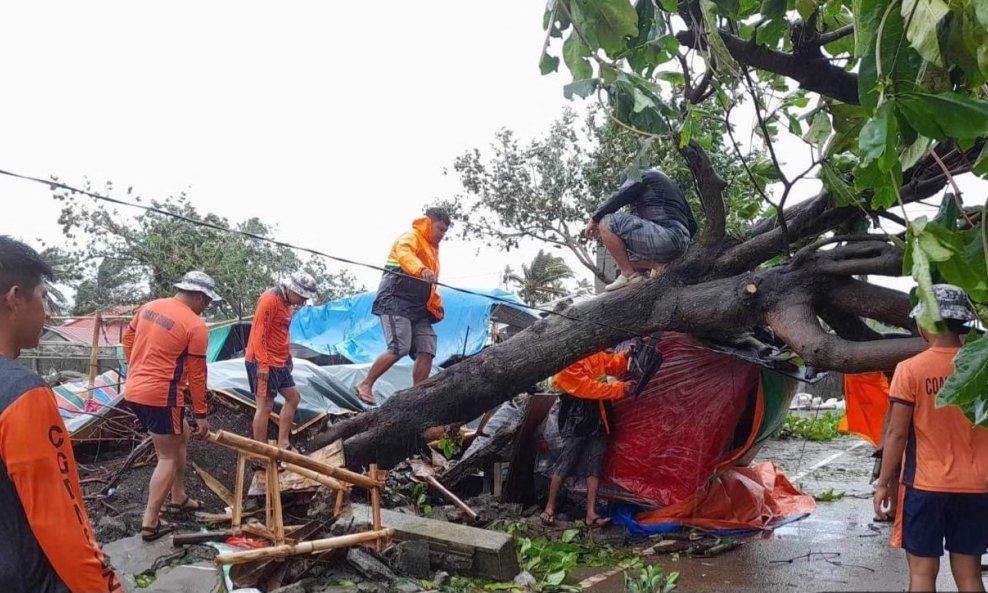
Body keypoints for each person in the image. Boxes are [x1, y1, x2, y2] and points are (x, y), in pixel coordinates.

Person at [0, 235, 120, 592]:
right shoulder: (22, 394)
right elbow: (62, 525)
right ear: (15, 298)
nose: (48, 312)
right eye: (43, 297)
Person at [873, 284, 988, 592]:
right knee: (970, 576)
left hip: (925, 486)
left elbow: (896, 433)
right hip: (977, 486)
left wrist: (884, 484)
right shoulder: (983, 368)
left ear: (925, 323)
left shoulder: (910, 370)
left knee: (922, 575)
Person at [122, 271, 221, 542]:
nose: (207, 307)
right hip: (162, 396)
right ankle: (150, 522)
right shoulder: (195, 325)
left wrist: (137, 367)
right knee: (166, 455)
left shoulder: (149, 307)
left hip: (134, 390)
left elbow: (127, 340)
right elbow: (198, 374)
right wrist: (201, 413)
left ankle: (178, 497)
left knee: (182, 434)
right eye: (208, 301)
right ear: (199, 296)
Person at [355, 207, 450, 405]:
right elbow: (405, 255)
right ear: (429, 223)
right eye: (440, 229)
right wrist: (420, 269)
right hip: (395, 299)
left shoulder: (433, 251)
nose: (442, 235)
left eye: (445, 231)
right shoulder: (411, 236)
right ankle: (366, 384)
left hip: (418, 308)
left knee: (427, 345)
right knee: (400, 346)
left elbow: (431, 285)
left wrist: (436, 305)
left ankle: (417, 397)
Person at [541, 349, 631, 527]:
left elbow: (610, 366)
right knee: (567, 460)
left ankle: (591, 513)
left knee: (595, 463)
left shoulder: (593, 352)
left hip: (599, 415)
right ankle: (549, 508)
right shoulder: (568, 359)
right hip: (577, 417)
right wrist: (620, 388)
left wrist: (624, 356)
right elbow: (586, 387)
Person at [583, 168, 697, 292]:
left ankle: (628, 275)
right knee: (623, 258)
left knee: (607, 222)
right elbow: (693, 225)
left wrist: (595, 219)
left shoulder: (640, 175)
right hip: (682, 242)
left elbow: (621, 195)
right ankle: (659, 266)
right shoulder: (671, 186)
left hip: (664, 236)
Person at [245, 273, 317, 451]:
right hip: (262, 360)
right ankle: (261, 452)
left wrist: (287, 355)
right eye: (302, 297)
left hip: (279, 361)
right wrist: (262, 364)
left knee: (294, 397)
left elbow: (281, 332)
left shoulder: (288, 305)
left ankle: (283, 442)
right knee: (265, 406)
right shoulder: (270, 300)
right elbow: (258, 333)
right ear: (293, 290)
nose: (303, 301)